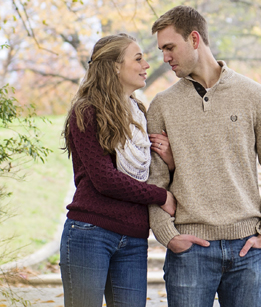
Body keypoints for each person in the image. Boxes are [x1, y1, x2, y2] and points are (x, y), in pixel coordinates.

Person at [146, 6, 261, 307]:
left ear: (195, 39)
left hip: (247, 252)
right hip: (190, 251)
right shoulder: (162, 106)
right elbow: (154, 182)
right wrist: (167, 234)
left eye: (170, 47)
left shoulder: (254, 96)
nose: (165, 58)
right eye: (162, 50)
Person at [60, 33, 177, 307]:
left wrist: (170, 161)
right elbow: (106, 180)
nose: (146, 65)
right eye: (138, 59)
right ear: (114, 65)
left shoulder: (139, 113)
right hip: (91, 232)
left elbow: (151, 170)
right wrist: (161, 196)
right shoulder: (87, 111)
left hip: (134, 236)